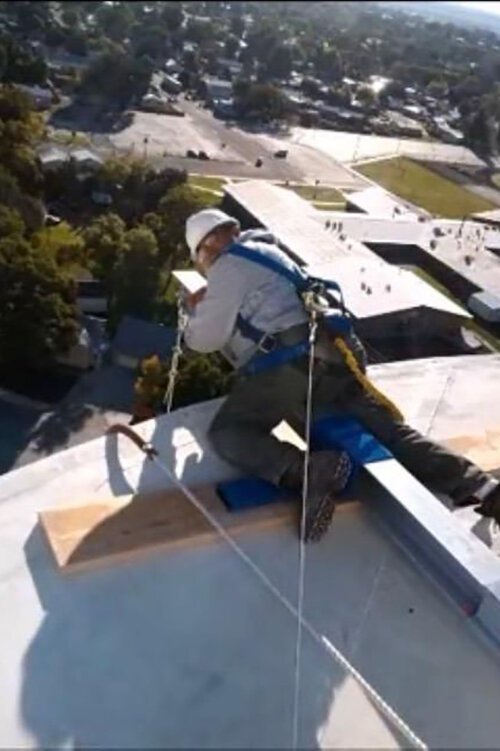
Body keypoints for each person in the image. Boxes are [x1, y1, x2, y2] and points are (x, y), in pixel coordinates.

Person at [182, 208, 500, 542]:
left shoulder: (228, 266)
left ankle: (310, 470)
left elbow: (206, 339)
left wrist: (192, 312)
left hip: (293, 364)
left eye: (200, 259)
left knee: (230, 430)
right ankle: (482, 486)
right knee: (388, 431)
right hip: (337, 356)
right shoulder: (267, 250)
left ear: (206, 247)